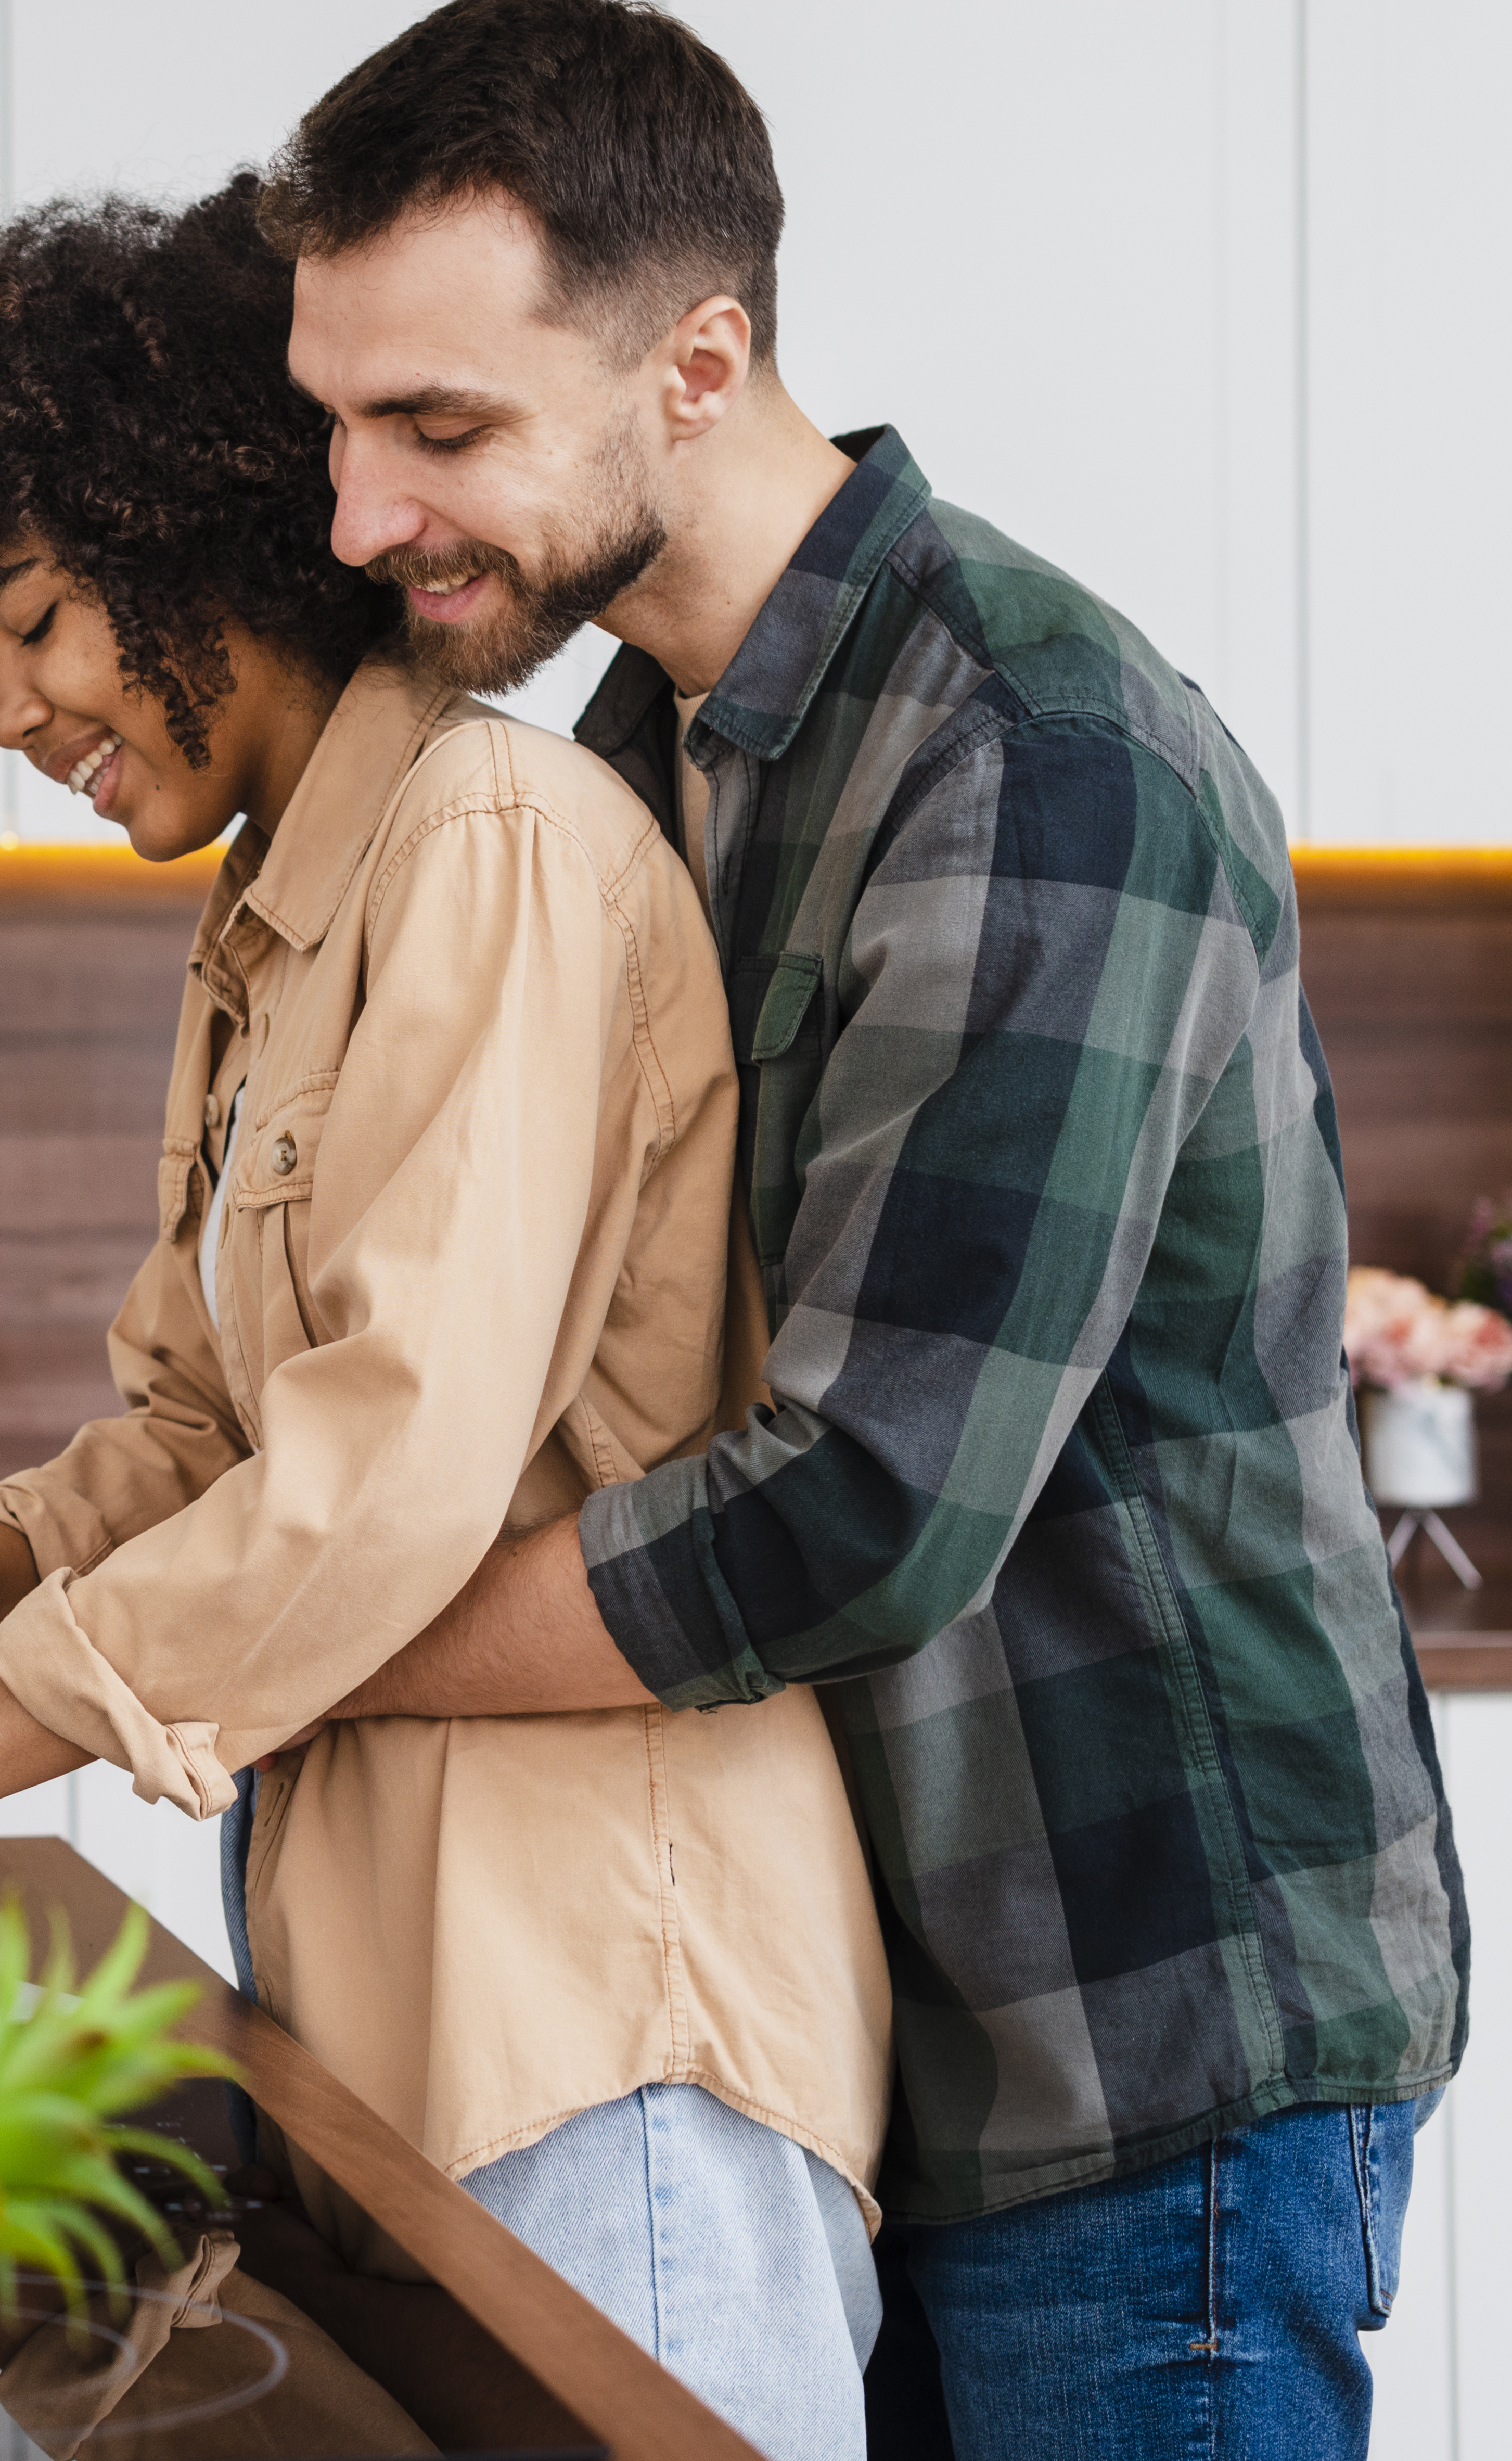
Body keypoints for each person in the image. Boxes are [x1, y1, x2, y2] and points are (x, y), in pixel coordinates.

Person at [251, 3, 1468, 2452]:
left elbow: (855, 1500)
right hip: (896, 2020)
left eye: (441, 429)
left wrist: (274, 1649)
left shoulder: (1030, 752)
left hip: (1140, 2033)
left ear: (693, 363)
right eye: (334, 424)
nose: (359, 517)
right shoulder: (631, 756)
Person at [0, 182, 892, 2458]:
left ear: (198, 526)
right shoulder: (279, 920)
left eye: (33, 623)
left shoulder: (482, 842)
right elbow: (211, 1419)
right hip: (413, 2026)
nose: (13, 710)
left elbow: (385, 1465)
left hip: (601, 2024)